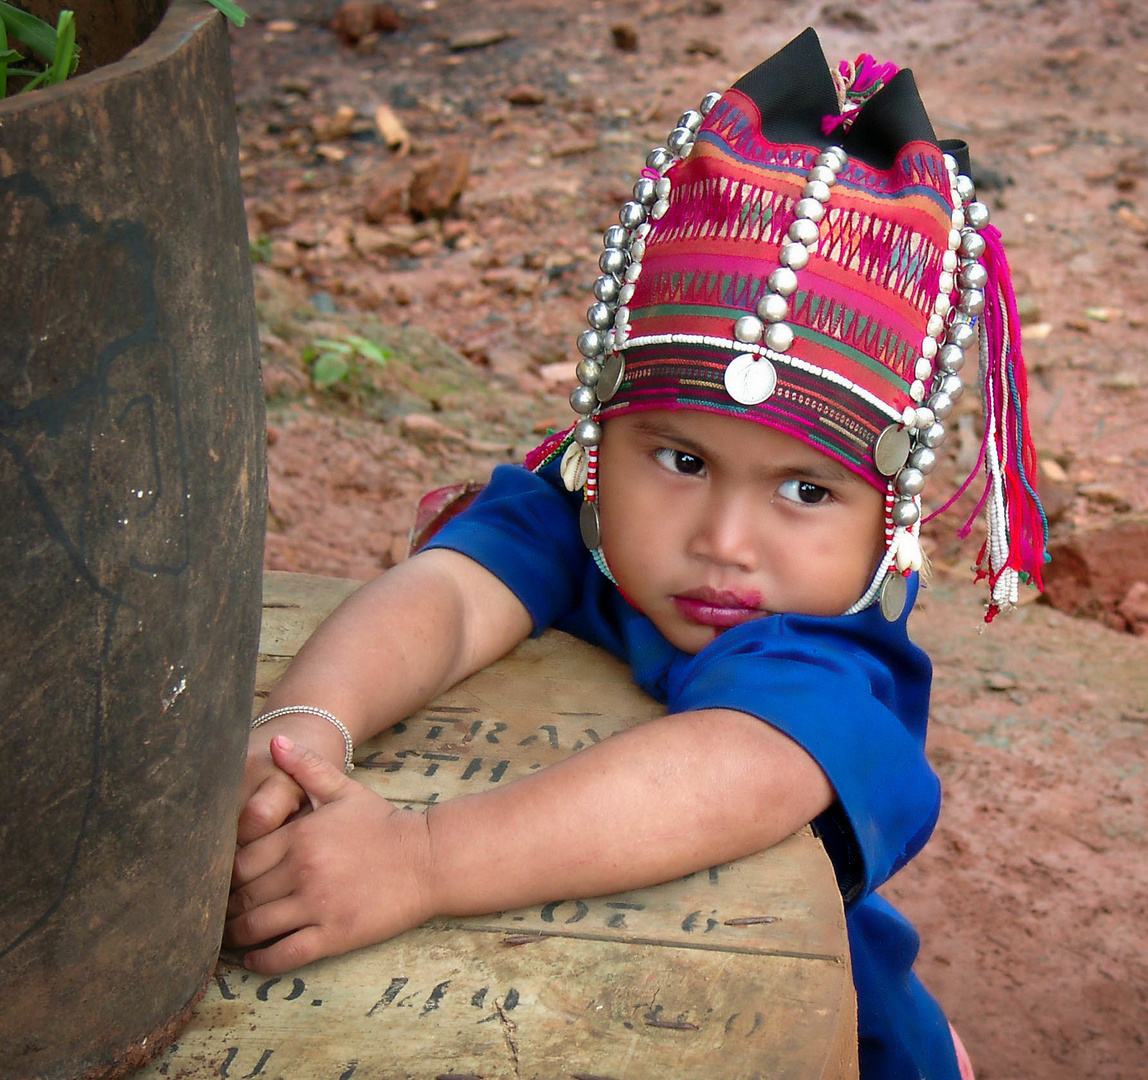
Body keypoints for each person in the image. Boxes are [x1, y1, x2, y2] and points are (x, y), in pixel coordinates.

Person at [227, 28, 1044, 1080]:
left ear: (890, 520)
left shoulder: (829, 657)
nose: (725, 540)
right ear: (599, 441)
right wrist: (306, 725)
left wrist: (420, 861)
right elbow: (447, 594)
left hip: (830, 1041)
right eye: (682, 459)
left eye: (807, 491)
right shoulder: (589, 524)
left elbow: (735, 768)